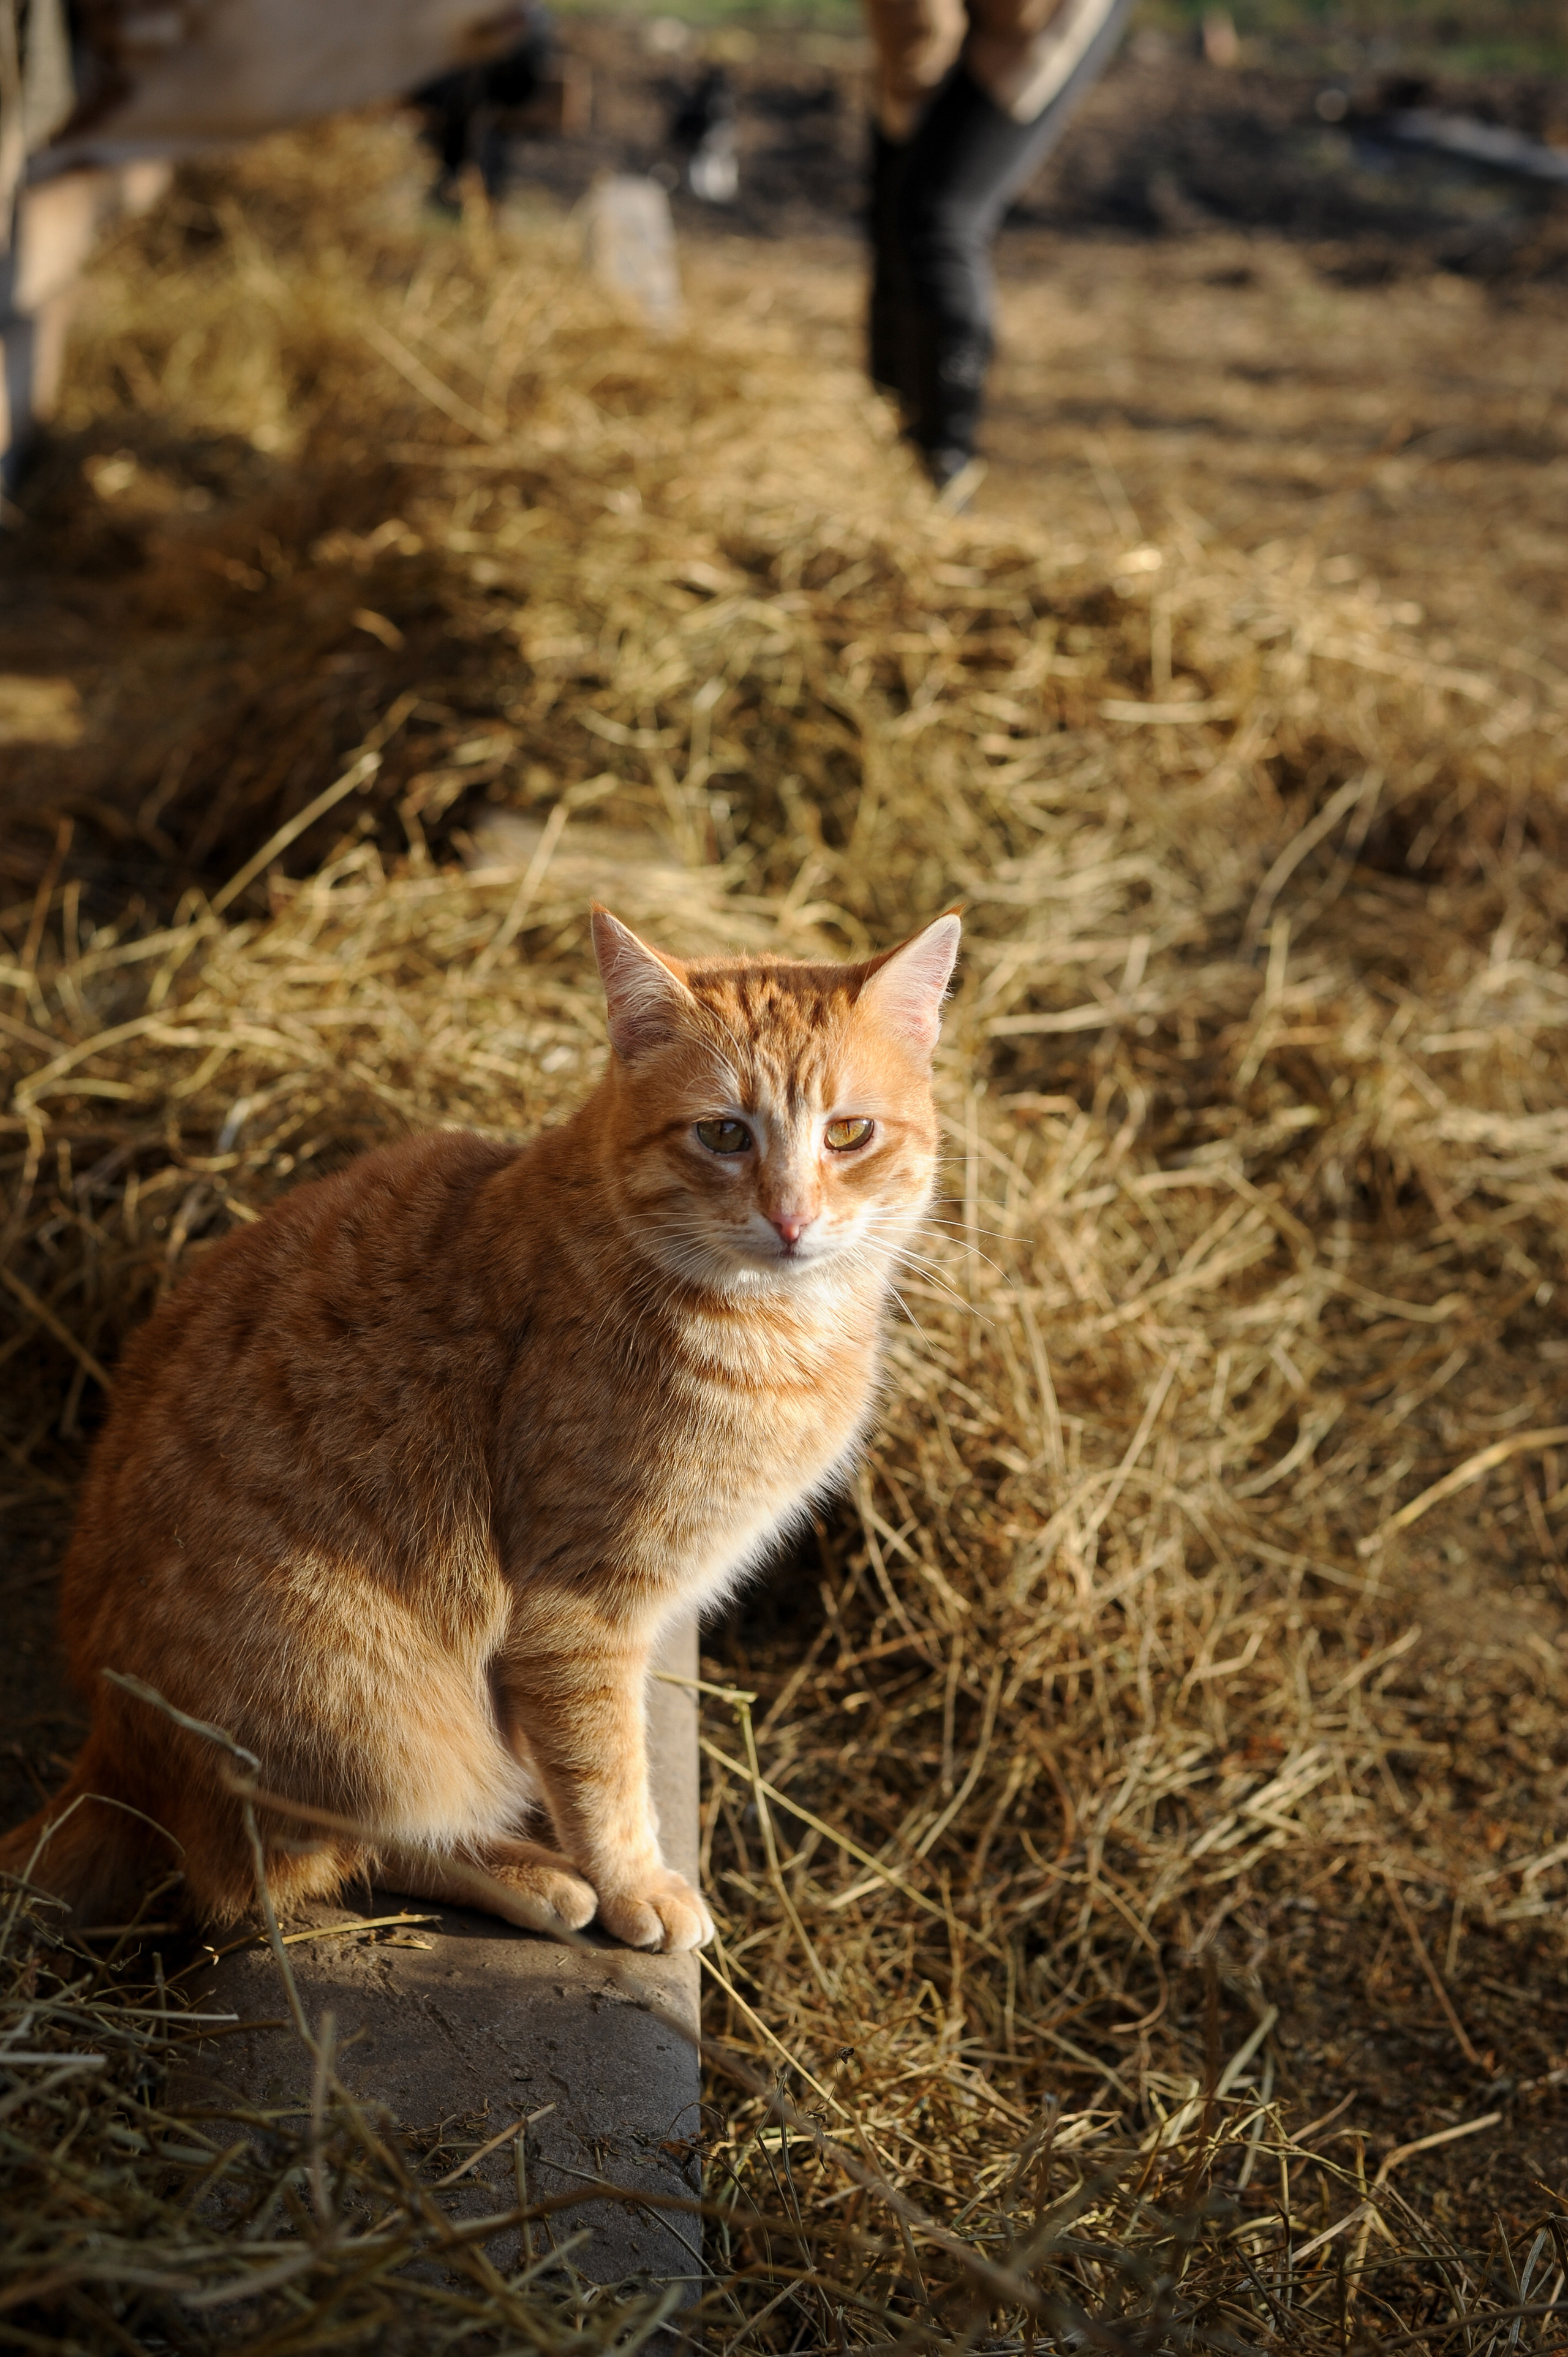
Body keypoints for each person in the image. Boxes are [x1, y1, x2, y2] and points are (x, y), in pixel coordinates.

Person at [864, 0, 1131, 490]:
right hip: (979, 15)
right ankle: (888, 446)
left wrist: (907, 108)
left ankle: (943, 465)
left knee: (935, 217)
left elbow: (922, 28)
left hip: (1042, 12)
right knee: (895, 211)